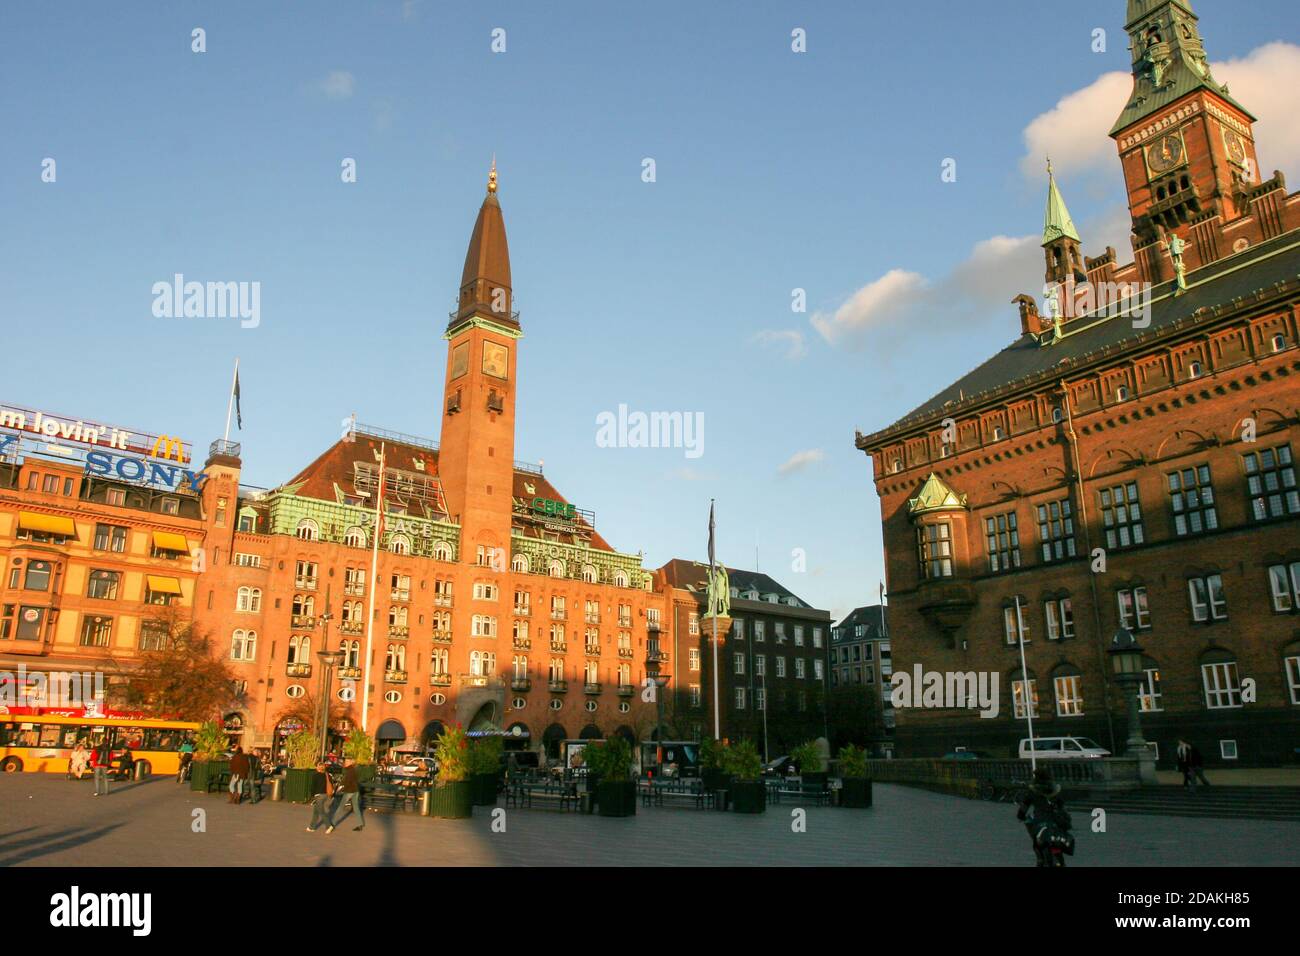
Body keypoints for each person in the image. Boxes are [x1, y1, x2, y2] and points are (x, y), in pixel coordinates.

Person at [1016, 767, 1074, 866]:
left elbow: (1023, 808)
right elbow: (1062, 807)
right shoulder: (1055, 789)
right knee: (1058, 842)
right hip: (1056, 822)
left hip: (1040, 821)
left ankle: (1040, 860)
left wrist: (1021, 816)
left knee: (1038, 844)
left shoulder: (1033, 791)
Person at [326, 758, 364, 833]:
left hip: (349, 791)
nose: (345, 763)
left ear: (350, 763)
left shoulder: (349, 771)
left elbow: (347, 782)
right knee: (356, 807)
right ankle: (360, 824)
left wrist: (340, 789)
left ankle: (332, 824)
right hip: (355, 790)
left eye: (346, 762)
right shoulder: (354, 770)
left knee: (340, 807)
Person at [306, 761, 334, 832]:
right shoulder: (328, 775)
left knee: (321, 812)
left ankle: (329, 826)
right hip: (325, 795)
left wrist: (312, 795)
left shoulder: (315, 775)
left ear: (317, 767)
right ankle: (311, 827)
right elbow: (331, 784)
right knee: (316, 812)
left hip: (319, 796)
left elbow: (313, 786)